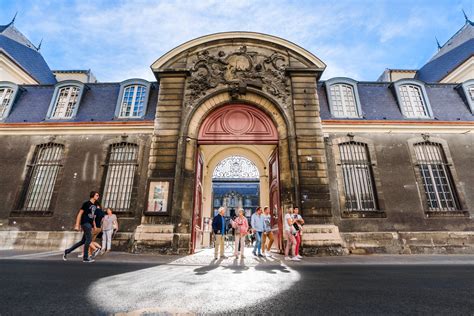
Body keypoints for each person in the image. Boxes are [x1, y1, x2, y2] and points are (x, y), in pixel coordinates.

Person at [63, 191, 101, 262]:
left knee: (83, 241)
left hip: (90, 224)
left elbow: (92, 217)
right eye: (97, 195)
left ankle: (67, 251)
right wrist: (77, 224)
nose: (98, 196)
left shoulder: (95, 206)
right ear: (93, 196)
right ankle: (85, 258)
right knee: (89, 240)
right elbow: (80, 213)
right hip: (85, 223)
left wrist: (94, 225)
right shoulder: (86, 203)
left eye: (98, 195)